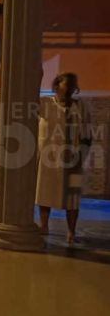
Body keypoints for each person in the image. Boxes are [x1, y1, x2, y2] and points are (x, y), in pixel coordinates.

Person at [36, 73, 92, 244]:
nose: (67, 90)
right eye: (64, 85)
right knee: (45, 193)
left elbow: (87, 134)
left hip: (73, 160)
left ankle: (71, 231)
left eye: (71, 86)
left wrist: (81, 154)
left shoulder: (80, 106)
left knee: (72, 198)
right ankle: (44, 225)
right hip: (49, 158)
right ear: (56, 85)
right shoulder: (45, 103)